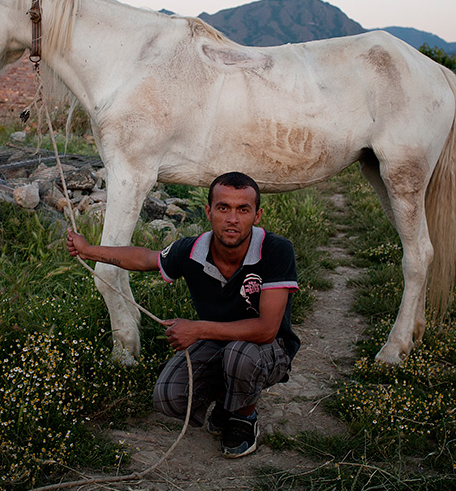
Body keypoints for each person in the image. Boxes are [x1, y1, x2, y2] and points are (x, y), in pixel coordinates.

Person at [66, 172, 299, 458]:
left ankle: (243, 416)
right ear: (208, 211)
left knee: (241, 356)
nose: (232, 219)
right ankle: (228, 402)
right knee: (169, 396)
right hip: (218, 344)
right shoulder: (192, 250)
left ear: (257, 215)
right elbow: (144, 258)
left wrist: (198, 329)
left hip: (267, 349)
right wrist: (89, 251)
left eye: (243, 209)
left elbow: (266, 330)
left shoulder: (276, 250)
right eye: (223, 207)